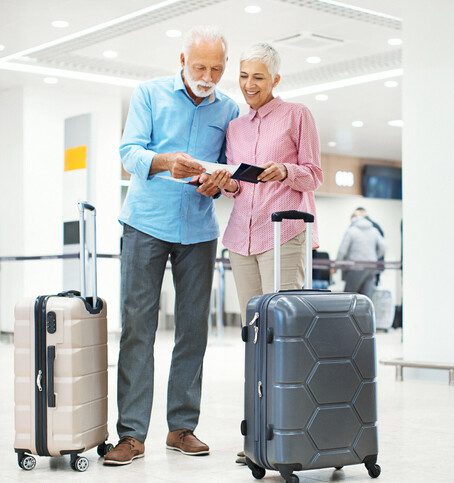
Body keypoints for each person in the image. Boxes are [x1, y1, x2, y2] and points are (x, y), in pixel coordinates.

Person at [104, 26, 239, 466]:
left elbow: (227, 174)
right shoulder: (149, 93)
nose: (208, 76)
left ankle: (181, 427)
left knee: (193, 329)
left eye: (216, 69)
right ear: (182, 60)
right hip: (146, 222)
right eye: (200, 67)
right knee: (139, 325)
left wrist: (216, 186)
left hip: (198, 230)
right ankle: (131, 433)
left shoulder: (229, 108)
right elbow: (129, 153)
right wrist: (166, 161)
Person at [202, 42, 322, 465]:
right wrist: (227, 184)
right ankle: (258, 433)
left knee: (285, 335)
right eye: (244, 75)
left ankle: (289, 431)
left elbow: (314, 176)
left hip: (284, 230)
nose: (249, 84)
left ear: (275, 80)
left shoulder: (296, 115)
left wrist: (286, 171)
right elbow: (239, 183)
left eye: (258, 77)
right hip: (242, 236)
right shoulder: (235, 126)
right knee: (254, 338)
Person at [336, 209, 386, 299]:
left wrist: (337, 265)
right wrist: (375, 257)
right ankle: (365, 313)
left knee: (348, 296)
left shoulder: (351, 231)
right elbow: (383, 247)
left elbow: (342, 250)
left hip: (356, 267)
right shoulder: (374, 230)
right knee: (367, 298)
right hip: (371, 266)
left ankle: (348, 314)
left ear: (353, 219)